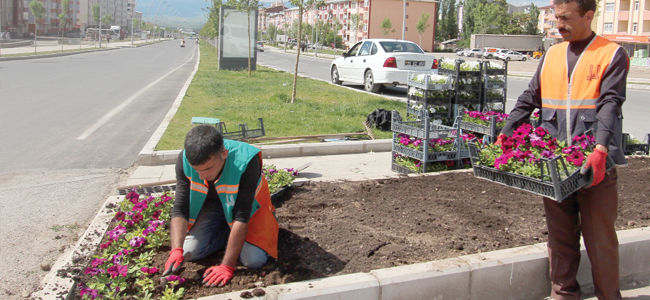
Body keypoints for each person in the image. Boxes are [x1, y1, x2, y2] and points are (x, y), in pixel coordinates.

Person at [496, 0, 629, 299]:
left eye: (566, 18)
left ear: (589, 16)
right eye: (556, 18)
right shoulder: (552, 54)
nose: (558, 25)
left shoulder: (611, 54)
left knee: (601, 241)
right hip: (554, 162)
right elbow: (530, 96)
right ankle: (563, 295)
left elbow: (610, 103)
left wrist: (600, 149)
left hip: (594, 167)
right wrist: (506, 132)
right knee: (560, 239)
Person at [163, 125, 279, 287]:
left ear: (224, 154)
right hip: (212, 207)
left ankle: (240, 235)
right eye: (197, 170)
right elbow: (180, 208)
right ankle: (228, 234)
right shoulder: (184, 160)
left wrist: (227, 265)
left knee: (254, 260)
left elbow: (241, 215)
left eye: (209, 168)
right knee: (191, 251)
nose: (202, 176)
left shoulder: (247, 160)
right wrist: (176, 250)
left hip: (248, 209)